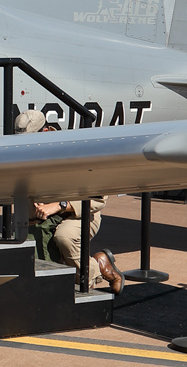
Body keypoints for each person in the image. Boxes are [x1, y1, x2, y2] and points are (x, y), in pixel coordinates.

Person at [14, 109, 123, 293]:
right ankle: (88, 265)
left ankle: (98, 268)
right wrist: (34, 211)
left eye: (30, 141)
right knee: (26, 235)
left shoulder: (75, 151)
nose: (26, 147)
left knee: (64, 237)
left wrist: (59, 205)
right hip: (48, 215)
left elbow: (99, 198)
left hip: (81, 212)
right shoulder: (25, 154)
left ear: (46, 132)